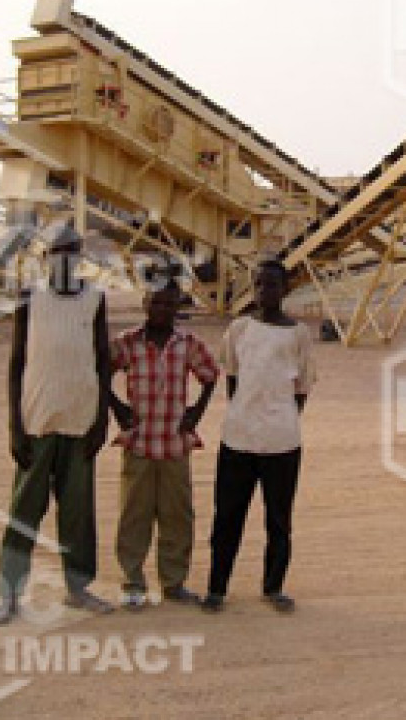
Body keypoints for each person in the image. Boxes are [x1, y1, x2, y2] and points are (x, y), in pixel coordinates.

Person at [0, 225, 112, 626]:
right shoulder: (30, 299)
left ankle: (78, 588)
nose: (65, 257)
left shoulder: (95, 299)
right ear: (46, 258)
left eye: (72, 251)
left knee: (77, 513)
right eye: (58, 251)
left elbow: (102, 361)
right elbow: (16, 363)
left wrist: (101, 419)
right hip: (37, 421)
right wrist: (14, 425)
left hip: (80, 420)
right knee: (25, 509)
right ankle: (8, 594)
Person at [202, 260, 316, 615]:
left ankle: (274, 586)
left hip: (282, 442)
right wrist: (245, 412)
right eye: (260, 285)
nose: (265, 291)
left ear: (285, 289)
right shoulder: (239, 329)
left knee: (278, 519)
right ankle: (217, 588)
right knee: (227, 517)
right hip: (237, 437)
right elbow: (233, 378)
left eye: (272, 285)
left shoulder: (299, 335)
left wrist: (278, 416)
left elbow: (302, 389)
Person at [109, 280, 219, 609]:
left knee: (177, 516)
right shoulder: (127, 343)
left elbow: (210, 376)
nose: (162, 311)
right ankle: (132, 582)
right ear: (145, 304)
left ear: (177, 308)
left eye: (168, 305)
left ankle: (173, 582)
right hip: (139, 443)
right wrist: (116, 407)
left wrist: (196, 412)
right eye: (156, 304)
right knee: (134, 515)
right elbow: (101, 371)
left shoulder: (188, 344)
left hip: (174, 444)